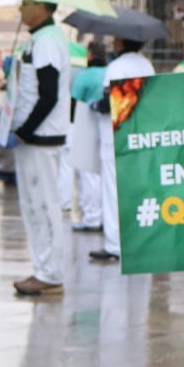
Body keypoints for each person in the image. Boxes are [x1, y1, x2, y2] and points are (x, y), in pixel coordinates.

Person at [9, 0, 72, 296]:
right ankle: (42, 268)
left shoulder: (47, 40)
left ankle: (50, 273)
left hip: (41, 138)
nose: (20, 9)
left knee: (44, 205)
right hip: (33, 137)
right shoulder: (37, 39)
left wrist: (25, 130)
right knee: (33, 205)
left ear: (44, 6)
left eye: (26, 3)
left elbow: (48, 94)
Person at [89, 36, 154, 262]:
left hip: (115, 136)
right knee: (137, 190)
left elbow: (111, 103)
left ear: (121, 42)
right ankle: (140, 240)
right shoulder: (146, 65)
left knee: (113, 190)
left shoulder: (116, 67)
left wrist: (96, 105)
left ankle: (114, 244)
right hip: (140, 135)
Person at [66, 42, 106, 233]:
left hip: (86, 127)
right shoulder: (110, 73)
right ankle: (107, 217)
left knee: (89, 175)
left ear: (89, 55)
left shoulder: (83, 77)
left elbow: (74, 105)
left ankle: (91, 218)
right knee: (107, 176)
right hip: (111, 128)